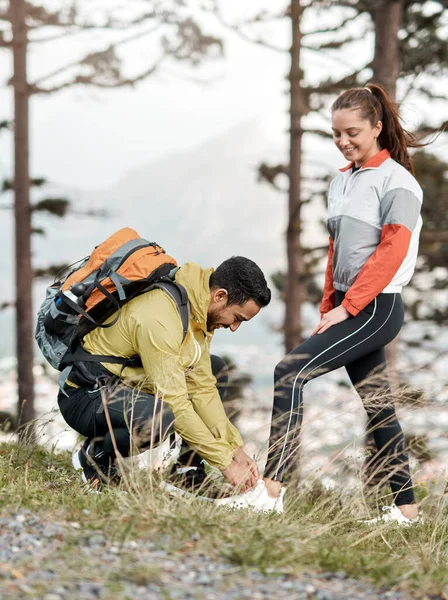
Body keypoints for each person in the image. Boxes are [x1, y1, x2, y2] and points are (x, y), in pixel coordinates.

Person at [223, 84, 424, 523]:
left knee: (288, 371)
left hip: (378, 308)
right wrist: (329, 304)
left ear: (376, 127)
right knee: (378, 404)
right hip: (352, 306)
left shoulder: (399, 183)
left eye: (352, 131)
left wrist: (349, 308)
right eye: (336, 134)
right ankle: (407, 511)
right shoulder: (343, 181)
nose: (343, 141)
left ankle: (270, 494)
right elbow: (338, 250)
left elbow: (390, 253)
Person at [61, 256, 271, 496]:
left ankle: (186, 473)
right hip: (87, 395)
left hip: (128, 388)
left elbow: (202, 388)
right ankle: (95, 457)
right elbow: (175, 402)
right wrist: (224, 462)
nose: (234, 327)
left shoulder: (196, 313)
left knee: (215, 368)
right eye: (237, 318)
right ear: (220, 296)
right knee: (162, 416)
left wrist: (234, 448)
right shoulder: (160, 315)